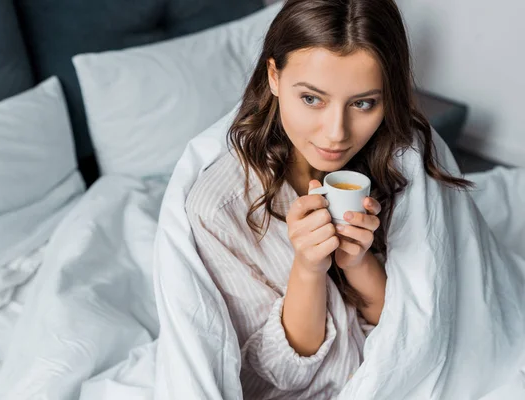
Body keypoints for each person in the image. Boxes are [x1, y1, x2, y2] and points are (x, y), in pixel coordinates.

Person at [185, 0, 471, 398]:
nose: (336, 133)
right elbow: (281, 374)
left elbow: (418, 326)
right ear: (273, 76)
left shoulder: (401, 158)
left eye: (363, 103)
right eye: (311, 99)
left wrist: (357, 262)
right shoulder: (220, 208)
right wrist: (307, 269)